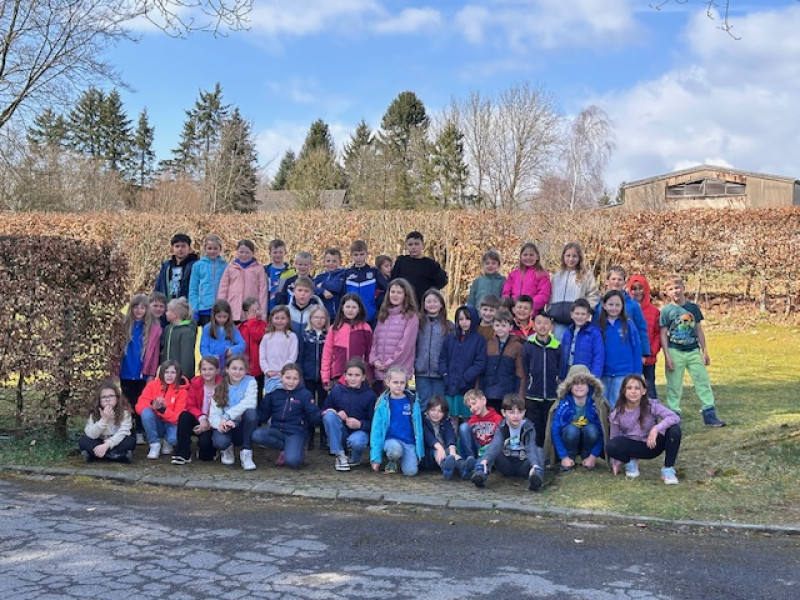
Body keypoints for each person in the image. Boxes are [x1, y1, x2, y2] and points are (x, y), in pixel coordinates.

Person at [660, 275, 725, 426]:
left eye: (677, 287)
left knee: (702, 381)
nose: (675, 291)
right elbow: (663, 334)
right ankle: (673, 416)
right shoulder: (666, 311)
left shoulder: (693, 308)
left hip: (693, 350)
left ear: (683, 288)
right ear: (666, 292)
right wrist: (667, 356)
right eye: (671, 289)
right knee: (674, 385)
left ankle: (709, 413)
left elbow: (699, 330)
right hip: (675, 351)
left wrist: (705, 350)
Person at [607, 374, 682, 483]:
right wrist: (616, 462)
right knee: (611, 445)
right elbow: (614, 437)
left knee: (674, 429)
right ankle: (630, 462)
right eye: (629, 388)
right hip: (633, 446)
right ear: (623, 391)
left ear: (644, 391)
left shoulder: (651, 405)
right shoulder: (617, 413)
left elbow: (674, 417)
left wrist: (655, 429)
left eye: (637, 388)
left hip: (652, 444)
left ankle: (668, 469)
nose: (633, 391)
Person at [471, 394, 545, 492]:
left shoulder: (529, 427)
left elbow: (530, 447)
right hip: (506, 463)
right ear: (504, 413)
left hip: (523, 464)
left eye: (519, 412)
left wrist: (534, 464)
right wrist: (485, 460)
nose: (516, 416)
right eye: (511, 412)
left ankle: (536, 477)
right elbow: (496, 444)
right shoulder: (501, 427)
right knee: (489, 448)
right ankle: (481, 472)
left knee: (539, 451)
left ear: (524, 412)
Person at [252, 363, 321, 468]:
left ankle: (297, 448)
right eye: (288, 378)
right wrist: (250, 415)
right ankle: (286, 448)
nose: (291, 382)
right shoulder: (274, 394)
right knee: (257, 435)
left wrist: (321, 415)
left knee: (293, 462)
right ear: (281, 377)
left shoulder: (305, 394)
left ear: (300, 379)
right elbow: (263, 414)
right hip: (277, 431)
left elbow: (313, 413)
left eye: (295, 379)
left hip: (295, 432)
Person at [116, 294, 162, 445]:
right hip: (126, 371)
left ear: (147, 309)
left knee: (142, 402)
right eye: (136, 307)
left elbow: (155, 354)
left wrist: (151, 374)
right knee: (128, 401)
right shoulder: (123, 326)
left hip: (143, 372)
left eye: (142, 308)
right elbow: (116, 350)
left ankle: (141, 430)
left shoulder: (153, 329)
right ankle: (129, 429)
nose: (139, 310)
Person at [548, 365, 609, 472]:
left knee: (592, 430)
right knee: (572, 430)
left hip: (589, 438)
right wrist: (563, 456)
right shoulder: (563, 404)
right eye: (575, 383)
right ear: (569, 386)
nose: (579, 386)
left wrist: (593, 455)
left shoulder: (596, 404)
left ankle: (587, 456)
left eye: (583, 383)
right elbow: (555, 430)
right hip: (569, 438)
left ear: (590, 385)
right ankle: (570, 457)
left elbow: (603, 431)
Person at [321, 358, 376, 471]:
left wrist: (360, 424)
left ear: (363, 377)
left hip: (360, 432)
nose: (353, 378)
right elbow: (323, 411)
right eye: (350, 375)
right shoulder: (337, 391)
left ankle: (355, 458)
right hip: (341, 431)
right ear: (345, 376)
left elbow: (375, 423)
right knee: (329, 415)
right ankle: (339, 454)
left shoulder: (370, 396)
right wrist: (336, 413)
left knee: (357, 441)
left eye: (357, 375)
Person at [369, 366, 424, 476]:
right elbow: (376, 431)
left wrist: (419, 453)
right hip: (391, 441)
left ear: (406, 383)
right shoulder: (383, 404)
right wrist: (375, 458)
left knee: (411, 472)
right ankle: (392, 460)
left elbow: (419, 429)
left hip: (408, 442)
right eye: (395, 382)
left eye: (402, 382)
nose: (398, 385)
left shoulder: (412, 401)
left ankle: (401, 461)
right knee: (395, 450)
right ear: (388, 382)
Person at [439, 305, 486, 428]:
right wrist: (445, 375)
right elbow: (443, 358)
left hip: (467, 386)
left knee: (468, 418)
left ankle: (466, 440)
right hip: (450, 385)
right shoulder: (451, 337)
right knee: (451, 418)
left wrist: (466, 377)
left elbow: (480, 363)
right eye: (461, 319)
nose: (464, 322)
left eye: (467, 319)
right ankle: (452, 440)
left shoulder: (478, 340)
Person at [209, 354, 259, 470]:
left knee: (251, 413)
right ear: (227, 369)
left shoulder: (250, 382)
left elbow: (250, 402)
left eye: (241, 369)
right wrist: (222, 424)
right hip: (226, 425)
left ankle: (246, 452)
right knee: (220, 442)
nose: (237, 372)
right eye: (234, 368)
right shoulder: (220, 387)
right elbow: (213, 414)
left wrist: (228, 415)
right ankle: (227, 448)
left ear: (246, 370)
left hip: (241, 426)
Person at [369, 278, 420, 392]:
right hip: (380, 372)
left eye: (399, 292)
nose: (395, 295)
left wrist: (388, 364)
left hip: (398, 374)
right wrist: (374, 360)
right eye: (392, 292)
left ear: (406, 295)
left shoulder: (411, 316)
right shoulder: (384, 314)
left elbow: (405, 346)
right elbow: (375, 340)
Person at [522, 310, 561, 448]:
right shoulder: (528, 345)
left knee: (550, 426)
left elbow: (560, 367)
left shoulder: (557, 346)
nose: (542, 326)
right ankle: (535, 452)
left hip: (551, 394)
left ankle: (549, 453)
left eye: (546, 323)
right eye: (539, 323)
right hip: (533, 394)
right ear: (533, 325)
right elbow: (525, 367)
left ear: (551, 326)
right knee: (534, 426)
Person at [594, 266, 650, 359]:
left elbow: (641, 328)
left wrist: (643, 353)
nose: (616, 282)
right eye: (613, 279)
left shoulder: (632, 305)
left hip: (627, 352)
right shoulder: (600, 305)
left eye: (619, 279)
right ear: (607, 281)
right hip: (604, 350)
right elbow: (594, 327)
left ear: (624, 282)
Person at [597, 290, 642, 408]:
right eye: (610, 304)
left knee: (617, 404)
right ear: (604, 305)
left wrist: (637, 373)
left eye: (617, 305)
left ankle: (617, 421)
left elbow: (636, 349)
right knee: (601, 404)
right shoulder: (599, 325)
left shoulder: (628, 325)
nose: (614, 308)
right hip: (604, 372)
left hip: (623, 372)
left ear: (622, 306)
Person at [136, 360, 188, 459]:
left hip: (172, 424)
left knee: (174, 440)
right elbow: (139, 406)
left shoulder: (182, 391)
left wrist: (163, 410)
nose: (169, 375)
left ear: (178, 374)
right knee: (146, 413)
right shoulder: (152, 385)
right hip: (157, 423)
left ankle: (167, 441)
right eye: (166, 372)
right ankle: (154, 444)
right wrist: (153, 404)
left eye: (173, 372)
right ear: (161, 373)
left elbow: (179, 417)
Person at [173, 356, 220, 465]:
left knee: (206, 454)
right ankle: (183, 454)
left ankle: (209, 450)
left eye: (211, 369)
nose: (207, 372)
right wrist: (202, 419)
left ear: (217, 370)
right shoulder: (195, 382)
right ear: (200, 371)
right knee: (184, 415)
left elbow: (223, 409)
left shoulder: (222, 385)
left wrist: (208, 424)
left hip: (214, 421)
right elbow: (190, 405)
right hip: (198, 417)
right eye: (204, 369)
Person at [548, 242, 601, 340]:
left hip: (578, 320)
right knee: (560, 346)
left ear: (579, 258)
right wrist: (550, 311)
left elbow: (593, 294)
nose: (571, 259)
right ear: (563, 256)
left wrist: (587, 310)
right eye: (568, 255)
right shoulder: (556, 277)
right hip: (559, 321)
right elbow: (550, 296)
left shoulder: (586, 276)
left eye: (574, 256)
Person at [321, 293, 374, 390]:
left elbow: (369, 355)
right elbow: (327, 354)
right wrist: (325, 378)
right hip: (338, 376)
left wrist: (369, 377)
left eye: (354, 307)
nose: (350, 310)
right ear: (342, 308)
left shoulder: (365, 328)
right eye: (348, 307)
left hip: (358, 377)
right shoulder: (335, 328)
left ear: (359, 309)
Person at [78, 381, 136, 463]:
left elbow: (123, 432)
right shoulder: (94, 412)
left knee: (130, 441)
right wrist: (104, 419)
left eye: (111, 396)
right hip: (99, 440)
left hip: (116, 441)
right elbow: (91, 434)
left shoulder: (124, 412)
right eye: (104, 397)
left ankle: (97, 456)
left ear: (117, 398)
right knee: (83, 441)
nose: (108, 399)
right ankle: (116, 456)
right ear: (99, 399)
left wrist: (108, 445)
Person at [297, 305, 329, 450]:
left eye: (322, 317)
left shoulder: (328, 335)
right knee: (309, 407)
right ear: (311, 319)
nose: (319, 320)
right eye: (316, 317)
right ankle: (309, 436)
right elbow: (300, 357)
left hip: (323, 378)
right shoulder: (304, 335)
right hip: (308, 376)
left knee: (324, 406)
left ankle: (323, 437)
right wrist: (301, 375)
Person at [482, 308, 525, 414]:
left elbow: (520, 373)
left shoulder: (517, 346)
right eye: (497, 325)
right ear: (493, 326)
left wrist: (519, 395)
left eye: (503, 325)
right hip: (489, 392)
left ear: (510, 327)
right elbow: (482, 369)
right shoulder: (488, 344)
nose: (500, 328)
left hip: (508, 393)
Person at [414, 289, 451, 412]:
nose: (432, 304)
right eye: (428, 301)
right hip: (421, 372)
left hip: (440, 373)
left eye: (435, 301)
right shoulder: (418, 324)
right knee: (423, 404)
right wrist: (415, 363)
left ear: (441, 304)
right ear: (424, 305)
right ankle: (422, 425)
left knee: (438, 406)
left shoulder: (448, 326)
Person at [390, 231, 448, 305]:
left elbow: (442, 281)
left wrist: (430, 293)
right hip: (404, 303)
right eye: (410, 244)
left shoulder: (430, 264)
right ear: (406, 246)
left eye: (416, 244)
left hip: (422, 303)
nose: (413, 247)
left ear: (423, 245)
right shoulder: (401, 262)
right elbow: (393, 281)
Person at [628, 274, 662, 399]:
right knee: (631, 386)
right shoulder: (626, 309)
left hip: (648, 358)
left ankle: (653, 409)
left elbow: (658, 334)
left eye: (640, 288)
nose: (637, 292)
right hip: (631, 356)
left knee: (649, 387)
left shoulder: (654, 312)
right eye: (634, 289)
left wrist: (651, 351)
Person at [217, 239, 267, 322]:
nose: (244, 255)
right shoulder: (230, 268)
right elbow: (223, 288)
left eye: (247, 252)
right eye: (241, 252)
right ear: (237, 252)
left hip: (251, 311)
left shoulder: (258, 269)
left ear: (252, 253)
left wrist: (262, 313)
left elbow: (262, 291)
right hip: (232, 309)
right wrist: (221, 307)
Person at [421, 396, 470, 480]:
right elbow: (428, 437)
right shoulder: (424, 420)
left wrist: (452, 450)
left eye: (440, 411)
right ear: (428, 410)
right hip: (429, 454)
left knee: (450, 454)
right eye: (433, 410)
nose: (435, 414)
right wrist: (439, 448)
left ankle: (464, 468)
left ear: (444, 413)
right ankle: (446, 469)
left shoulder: (446, 420)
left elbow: (450, 435)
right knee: (438, 452)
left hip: (445, 451)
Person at [343, 240, 387, 324]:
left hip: (370, 316)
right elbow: (343, 294)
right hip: (351, 317)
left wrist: (377, 302)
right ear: (351, 255)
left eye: (362, 254)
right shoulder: (347, 273)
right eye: (356, 255)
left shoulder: (374, 272)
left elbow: (387, 288)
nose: (359, 257)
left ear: (367, 254)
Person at [559, 298, 604, 380]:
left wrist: (594, 378)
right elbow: (562, 355)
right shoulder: (568, 333)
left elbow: (598, 357)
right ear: (572, 314)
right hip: (569, 372)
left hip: (586, 374)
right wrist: (561, 376)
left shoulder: (594, 333)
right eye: (577, 313)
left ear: (588, 315)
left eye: (583, 314)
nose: (579, 317)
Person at [259, 305, 299, 395]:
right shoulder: (267, 337)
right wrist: (267, 370)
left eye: (283, 318)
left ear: (288, 319)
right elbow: (262, 357)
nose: (279, 321)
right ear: (271, 319)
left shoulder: (292, 336)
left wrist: (283, 371)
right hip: (269, 375)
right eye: (277, 318)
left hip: (286, 375)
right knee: (270, 397)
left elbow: (292, 356)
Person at [188, 234, 227, 326]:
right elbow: (193, 288)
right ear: (205, 249)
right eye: (209, 248)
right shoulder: (198, 265)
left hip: (221, 308)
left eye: (215, 248)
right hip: (204, 308)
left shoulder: (225, 266)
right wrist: (194, 308)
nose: (212, 251)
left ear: (220, 249)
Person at [502, 242, 550, 314]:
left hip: (532, 313)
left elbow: (543, 295)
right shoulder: (513, 274)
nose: (528, 257)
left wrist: (528, 306)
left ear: (537, 257)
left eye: (531, 255)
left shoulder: (542, 275)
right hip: (514, 312)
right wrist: (510, 305)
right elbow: (506, 292)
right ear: (521, 256)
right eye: (525, 255)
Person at [199, 299, 246, 373]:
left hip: (227, 364)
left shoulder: (232, 328)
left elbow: (242, 344)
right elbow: (203, 347)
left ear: (229, 316)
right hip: (212, 365)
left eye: (225, 317)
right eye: (219, 316)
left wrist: (232, 350)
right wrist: (211, 357)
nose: (222, 319)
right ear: (214, 315)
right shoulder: (207, 328)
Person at [458, 388, 502, 465]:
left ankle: (479, 463)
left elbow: (498, 440)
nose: (472, 408)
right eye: (470, 407)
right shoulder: (471, 420)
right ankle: (469, 459)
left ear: (483, 400)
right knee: (463, 427)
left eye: (474, 403)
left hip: (489, 450)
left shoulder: (497, 418)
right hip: (476, 449)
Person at [237, 297, 267, 403]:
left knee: (258, 395)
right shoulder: (241, 327)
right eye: (253, 310)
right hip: (245, 369)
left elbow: (259, 336)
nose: (257, 312)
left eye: (258, 309)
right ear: (246, 313)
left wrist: (252, 321)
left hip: (258, 368)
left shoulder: (263, 325)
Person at [154, 233, 198, 303]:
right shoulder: (166, 267)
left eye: (183, 246)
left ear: (189, 249)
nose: (180, 249)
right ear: (172, 249)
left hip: (187, 305)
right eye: (177, 246)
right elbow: (158, 287)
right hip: (167, 305)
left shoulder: (195, 266)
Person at [159, 297, 197, 379]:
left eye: (168, 311)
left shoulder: (187, 331)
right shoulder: (168, 328)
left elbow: (186, 357)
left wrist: (183, 376)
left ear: (175, 314)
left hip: (180, 377)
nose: (166, 313)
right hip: (168, 375)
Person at [313, 247, 346, 320]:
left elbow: (337, 287)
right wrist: (323, 291)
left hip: (336, 315)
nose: (331, 263)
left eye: (334, 261)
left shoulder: (342, 275)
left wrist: (323, 284)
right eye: (328, 261)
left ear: (340, 262)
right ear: (324, 262)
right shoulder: (320, 277)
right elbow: (312, 289)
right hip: (321, 315)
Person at [266, 239, 292, 312]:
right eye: (275, 252)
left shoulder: (291, 272)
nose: (278, 255)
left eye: (280, 252)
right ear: (270, 253)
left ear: (285, 253)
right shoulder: (265, 270)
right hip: (268, 309)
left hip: (285, 309)